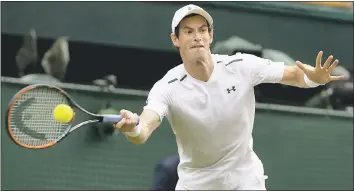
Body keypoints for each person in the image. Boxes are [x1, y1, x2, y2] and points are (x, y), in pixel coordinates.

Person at [113, 4, 344, 190]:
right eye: (189, 31)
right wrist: (133, 127)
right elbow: (144, 129)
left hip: (244, 178)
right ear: (175, 39)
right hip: (196, 184)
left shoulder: (241, 65)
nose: (197, 37)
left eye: (202, 30)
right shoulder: (167, 86)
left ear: (210, 35)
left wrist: (315, 79)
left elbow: (294, 75)